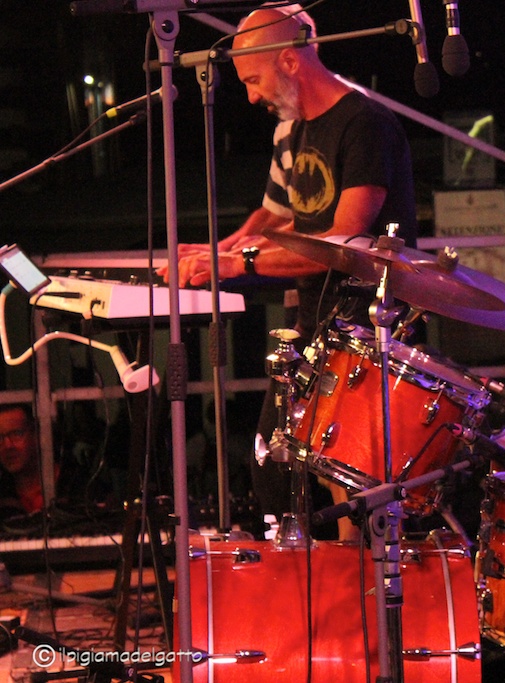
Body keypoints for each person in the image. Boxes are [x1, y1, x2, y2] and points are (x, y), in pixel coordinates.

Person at [162, 4, 417, 528]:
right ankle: (318, 570)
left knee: (351, 481)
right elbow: (284, 217)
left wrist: (236, 263)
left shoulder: (364, 124)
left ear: (289, 61)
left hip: (367, 328)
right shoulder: (296, 128)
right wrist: (218, 250)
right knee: (275, 469)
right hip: (315, 322)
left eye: (253, 81)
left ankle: (352, 568)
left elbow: (344, 243)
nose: (251, 97)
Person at [0, 403, 53, 516]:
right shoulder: (3, 493)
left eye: (16, 434)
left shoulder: (73, 486)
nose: (7, 445)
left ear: (36, 435)